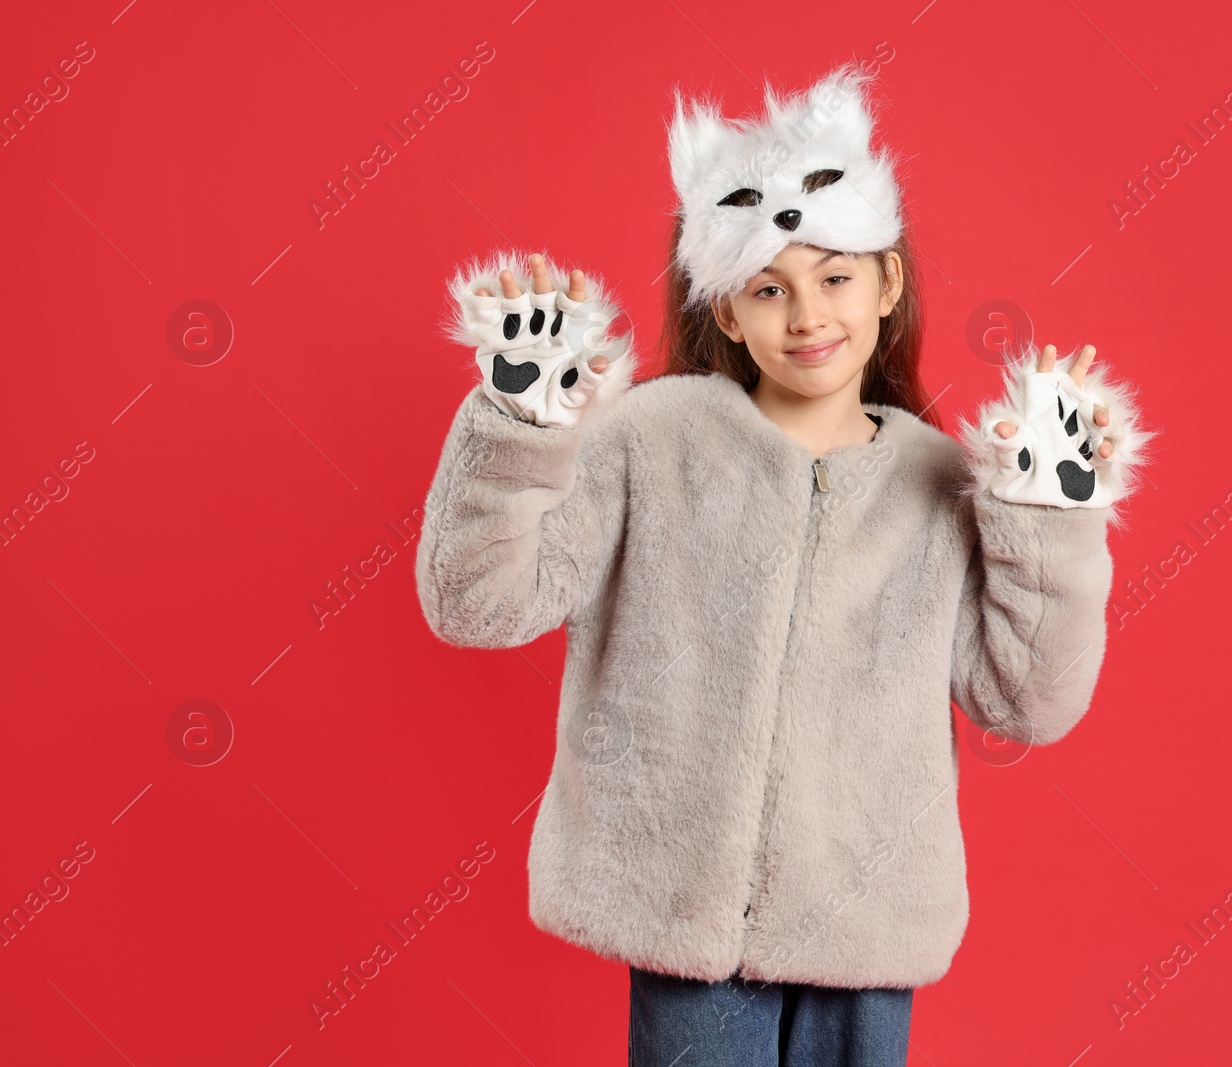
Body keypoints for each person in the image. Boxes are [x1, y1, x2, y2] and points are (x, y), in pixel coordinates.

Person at [414, 62, 1152, 1067]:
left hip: (866, 908)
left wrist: (1047, 519)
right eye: (769, 286)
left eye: (835, 276)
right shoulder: (650, 439)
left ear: (886, 281)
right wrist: (521, 425)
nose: (807, 315)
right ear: (724, 310)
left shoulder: (937, 481)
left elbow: (1028, 701)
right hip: (686, 911)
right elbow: (477, 602)